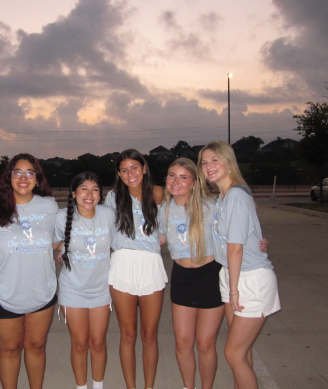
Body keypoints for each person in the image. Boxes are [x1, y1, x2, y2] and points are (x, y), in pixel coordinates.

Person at [198, 141, 280, 389]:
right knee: (241, 353)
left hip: (248, 278)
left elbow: (235, 248)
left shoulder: (235, 195)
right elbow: (248, 233)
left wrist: (234, 290)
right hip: (233, 274)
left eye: (215, 160)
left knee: (233, 354)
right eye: (204, 162)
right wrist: (260, 242)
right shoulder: (225, 197)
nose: (209, 166)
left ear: (228, 161)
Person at [0, 153, 58, 389]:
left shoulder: (49, 206)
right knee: (10, 349)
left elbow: (59, 237)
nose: (23, 178)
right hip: (1, 291)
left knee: (36, 347)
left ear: (37, 178)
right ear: (9, 177)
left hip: (40, 289)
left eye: (29, 173)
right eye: (17, 172)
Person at [158, 157, 224, 389]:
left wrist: (259, 240)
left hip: (210, 276)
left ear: (194, 183)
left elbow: (235, 230)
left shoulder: (210, 206)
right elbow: (157, 239)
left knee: (205, 344)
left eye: (183, 177)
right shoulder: (164, 209)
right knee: (183, 343)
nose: (176, 181)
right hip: (182, 278)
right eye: (172, 175)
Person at [104, 149, 165, 389]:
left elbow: (181, 218)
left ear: (144, 168)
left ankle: (148, 386)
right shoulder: (112, 198)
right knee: (127, 335)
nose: (130, 174)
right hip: (122, 265)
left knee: (149, 336)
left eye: (135, 168)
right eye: (124, 170)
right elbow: (97, 226)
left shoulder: (158, 194)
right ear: (119, 174)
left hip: (151, 265)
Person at [53, 172, 116, 389]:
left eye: (95, 189)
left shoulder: (108, 214)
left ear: (101, 194)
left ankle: (98, 386)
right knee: (79, 344)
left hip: (100, 289)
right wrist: (60, 249)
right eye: (84, 188)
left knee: (97, 343)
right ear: (74, 193)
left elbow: (119, 242)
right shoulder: (62, 217)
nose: (89, 194)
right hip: (72, 290)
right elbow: (52, 243)